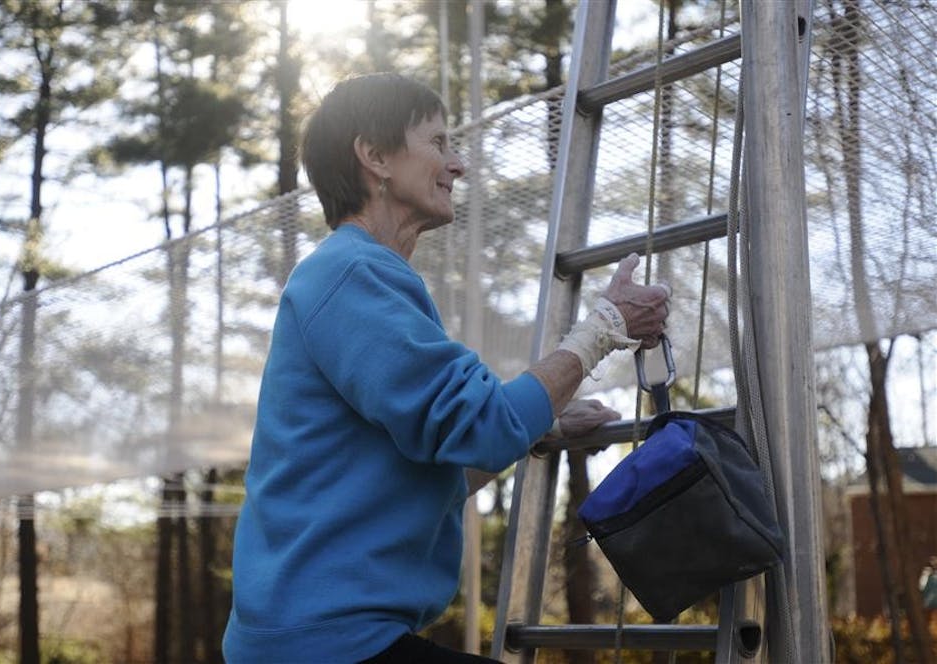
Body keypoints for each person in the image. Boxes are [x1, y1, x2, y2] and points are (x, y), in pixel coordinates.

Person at [222, 73, 671, 663]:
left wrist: (542, 423)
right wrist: (603, 328)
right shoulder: (353, 276)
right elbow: (482, 428)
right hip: (327, 643)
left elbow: (436, 476)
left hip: (317, 640)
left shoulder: (361, 278)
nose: (457, 165)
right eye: (438, 143)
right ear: (375, 156)